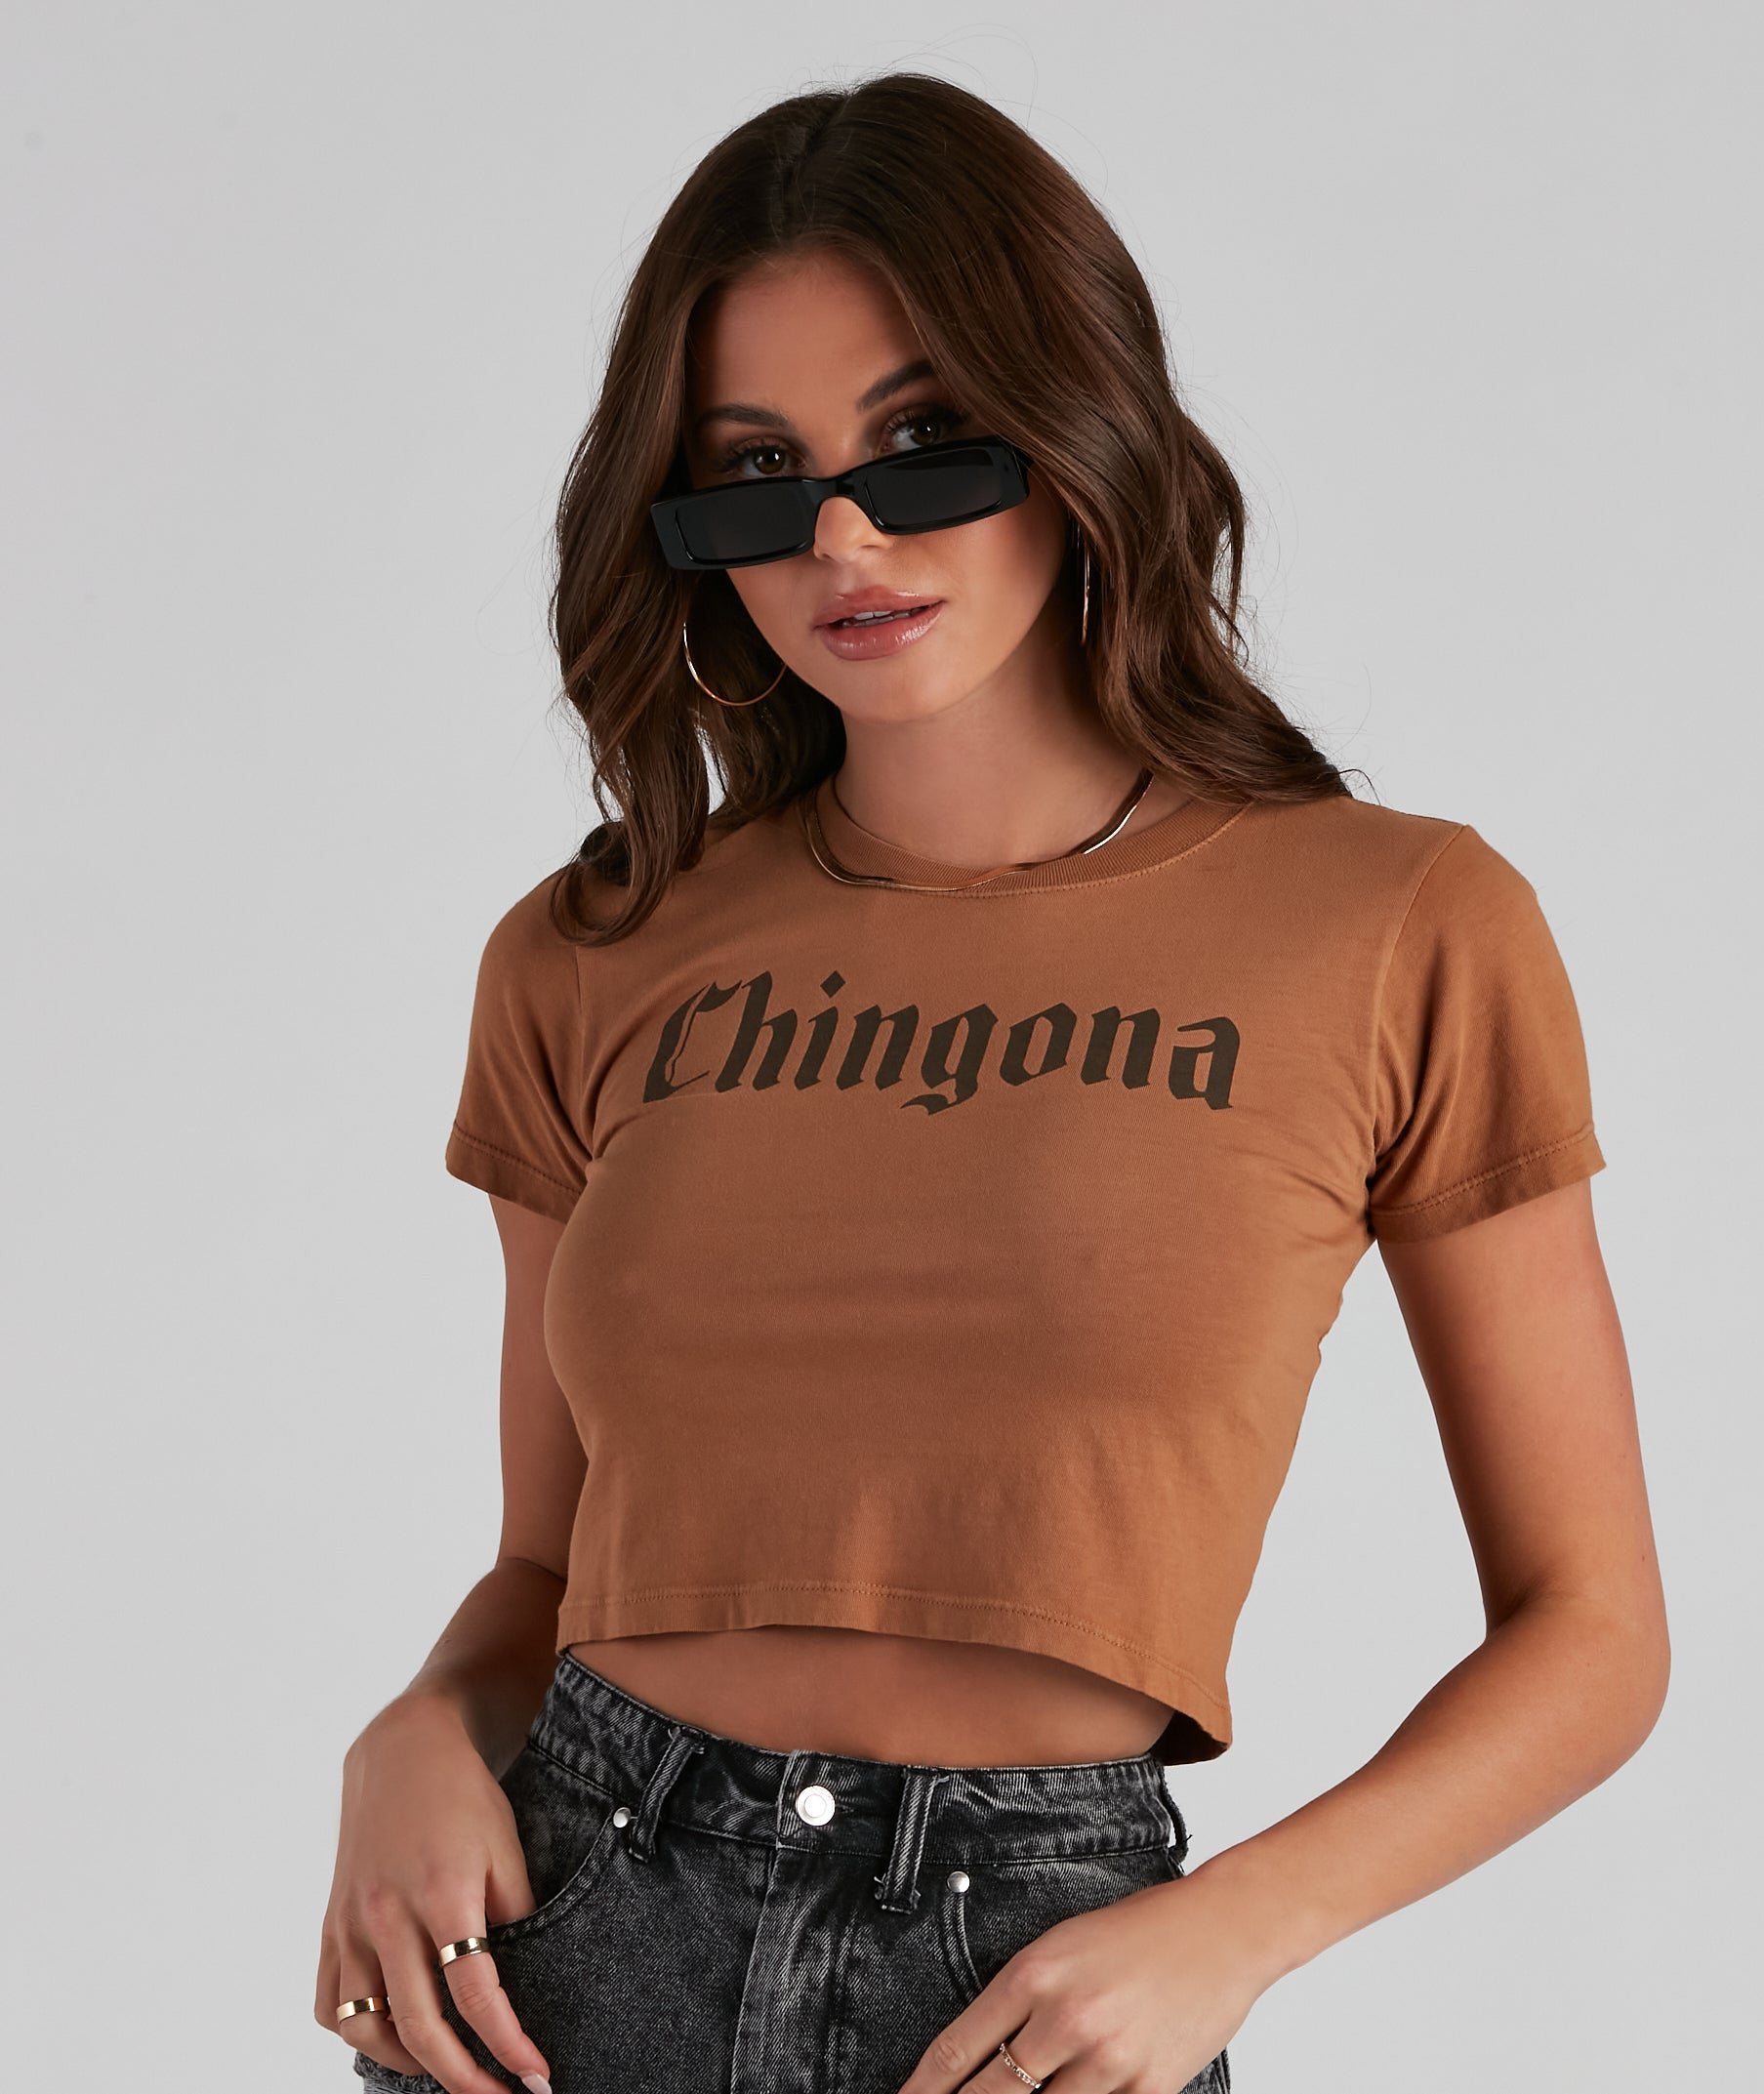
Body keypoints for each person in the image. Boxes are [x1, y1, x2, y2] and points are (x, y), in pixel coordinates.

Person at [317, 70, 1668, 2094]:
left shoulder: (1398, 924)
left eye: (922, 439)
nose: (842, 537)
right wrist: (416, 1728)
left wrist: (1234, 1928)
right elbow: (545, 1565)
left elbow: (1591, 1626)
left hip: (1036, 1984)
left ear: (1075, 416)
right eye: (755, 471)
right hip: (569, 1946)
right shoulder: (594, 948)